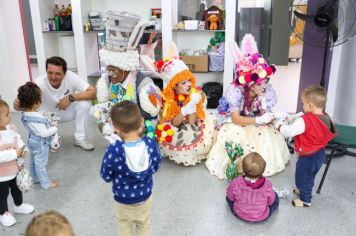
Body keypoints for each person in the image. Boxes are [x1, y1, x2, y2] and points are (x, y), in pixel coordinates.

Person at [206, 34, 290, 178]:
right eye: (260, 83)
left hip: (256, 122)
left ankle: (256, 166)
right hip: (237, 122)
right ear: (249, 85)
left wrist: (272, 117)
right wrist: (258, 120)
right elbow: (236, 119)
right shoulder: (236, 90)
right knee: (236, 134)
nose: (265, 86)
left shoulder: (266, 90)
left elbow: (267, 116)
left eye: (266, 80)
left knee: (266, 136)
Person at [141, 42, 216, 166]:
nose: (188, 85)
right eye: (183, 83)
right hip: (176, 124)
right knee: (173, 134)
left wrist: (191, 105)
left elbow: (192, 122)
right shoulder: (167, 98)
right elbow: (174, 123)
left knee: (194, 132)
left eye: (189, 81)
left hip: (193, 122)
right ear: (174, 85)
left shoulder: (198, 94)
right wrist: (184, 110)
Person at [94, 11, 161, 143]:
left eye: (114, 70)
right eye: (108, 69)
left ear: (125, 67)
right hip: (118, 121)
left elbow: (151, 114)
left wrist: (133, 126)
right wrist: (103, 122)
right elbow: (105, 109)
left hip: (138, 125)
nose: (110, 74)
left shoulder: (143, 84)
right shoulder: (107, 80)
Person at [100, 101, 161, 235]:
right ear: (141, 122)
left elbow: (106, 175)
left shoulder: (113, 150)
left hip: (122, 199)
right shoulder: (150, 144)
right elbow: (155, 166)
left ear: (115, 128)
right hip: (145, 196)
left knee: (124, 226)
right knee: (144, 225)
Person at [14, 56, 96, 150]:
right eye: (50, 73)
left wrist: (71, 97)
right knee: (31, 112)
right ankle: (43, 140)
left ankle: (80, 139)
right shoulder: (39, 82)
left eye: (58, 74)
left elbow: (93, 92)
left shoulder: (71, 76)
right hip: (45, 116)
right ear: (46, 72)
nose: (53, 77)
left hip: (66, 112)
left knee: (84, 104)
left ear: (65, 73)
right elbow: (24, 99)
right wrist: (18, 104)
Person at [275, 84, 337, 207]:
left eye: (303, 103)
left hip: (308, 156)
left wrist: (280, 126)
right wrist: (299, 116)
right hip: (319, 154)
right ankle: (303, 189)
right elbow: (313, 124)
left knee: (303, 176)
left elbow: (289, 132)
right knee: (309, 175)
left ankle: (306, 200)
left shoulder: (305, 121)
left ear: (310, 105)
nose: (302, 106)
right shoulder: (326, 118)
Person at [17, 82, 59, 190]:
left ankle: (35, 178)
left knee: (32, 161)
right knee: (40, 163)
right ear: (35, 102)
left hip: (32, 140)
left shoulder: (25, 114)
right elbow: (44, 133)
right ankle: (46, 183)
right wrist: (54, 128)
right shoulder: (37, 118)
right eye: (40, 98)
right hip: (41, 143)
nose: (41, 100)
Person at [0, 99, 35, 227]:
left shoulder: (11, 129)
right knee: (2, 195)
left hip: (14, 170)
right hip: (1, 176)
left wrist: (23, 149)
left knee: (17, 189)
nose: (10, 116)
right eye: (7, 114)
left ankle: (18, 205)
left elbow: (18, 140)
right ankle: (3, 213)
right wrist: (15, 153)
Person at [226, 152, 279, 222]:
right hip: (261, 216)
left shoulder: (236, 183)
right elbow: (270, 202)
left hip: (240, 214)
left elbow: (230, 197)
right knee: (275, 197)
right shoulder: (267, 185)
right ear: (262, 172)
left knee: (228, 197)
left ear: (243, 170)